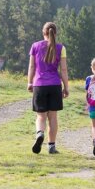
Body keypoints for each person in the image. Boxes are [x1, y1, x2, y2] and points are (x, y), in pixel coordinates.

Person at [27, 22, 69, 154]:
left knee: (41, 116)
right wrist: (66, 87)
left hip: (39, 84)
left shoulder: (35, 46)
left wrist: (29, 82)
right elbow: (63, 69)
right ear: (55, 33)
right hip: (55, 85)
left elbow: (32, 67)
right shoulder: (60, 48)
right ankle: (51, 146)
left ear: (43, 32)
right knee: (53, 117)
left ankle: (40, 133)